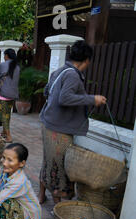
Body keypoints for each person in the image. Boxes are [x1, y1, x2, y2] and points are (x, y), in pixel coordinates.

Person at [38, 40, 107, 204]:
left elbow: (47, 90)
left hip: (49, 123)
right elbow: (65, 98)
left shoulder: (61, 71)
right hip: (58, 130)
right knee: (59, 167)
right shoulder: (73, 75)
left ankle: (41, 196)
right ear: (87, 60)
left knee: (49, 162)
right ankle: (58, 208)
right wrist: (92, 99)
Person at [0, 48, 20, 143]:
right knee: (7, 114)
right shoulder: (17, 66)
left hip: (3, 94)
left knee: (3, 115)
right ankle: (4, 132)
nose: (4, 57)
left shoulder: (3, 65)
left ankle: (9, 137)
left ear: (7, 55)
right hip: (12, 95)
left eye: (4, 55)